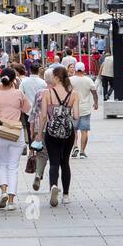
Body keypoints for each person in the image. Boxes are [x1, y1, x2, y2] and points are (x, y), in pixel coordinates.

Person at [37, 66, 79, 207]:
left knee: (54, 162)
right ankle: (66, 195)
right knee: (65, 162)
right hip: (68, 132)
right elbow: (76, 116)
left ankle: (53, 186)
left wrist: (38, 135)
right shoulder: (73, 94)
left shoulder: (48, 93)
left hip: (52, 131)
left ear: (56, 78)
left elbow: (43, 116)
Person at [0, 66, 30, 210]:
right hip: (16, 133)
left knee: (2, 164)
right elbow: (27, 109)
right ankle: (11, 201)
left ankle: (4, 192)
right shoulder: (19, 93)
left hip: (0, 132)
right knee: (13, 167)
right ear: (14, 80)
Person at [69, 63, 100, 158]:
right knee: (84, 131)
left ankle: (75, 146)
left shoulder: (70, 80)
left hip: (73, 108)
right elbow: (94, 92)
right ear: (83, 69)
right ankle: (82, 151)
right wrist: (96, 102)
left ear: (76, 69)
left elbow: (67, 92)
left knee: (73, 130)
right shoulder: (88, 80)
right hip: (85, 108)